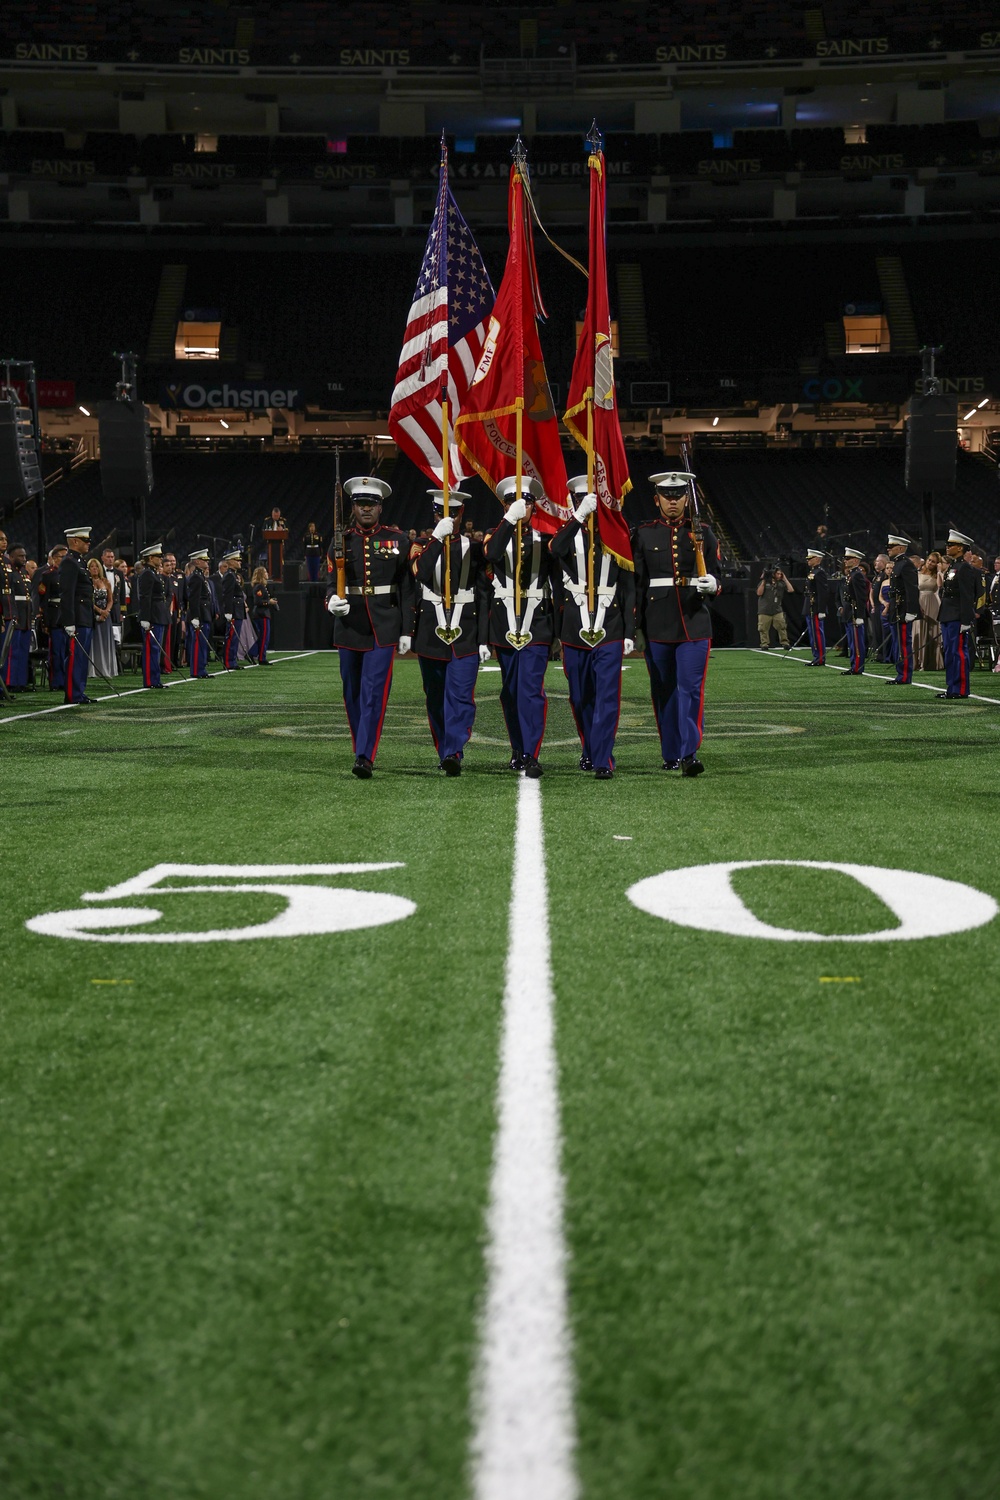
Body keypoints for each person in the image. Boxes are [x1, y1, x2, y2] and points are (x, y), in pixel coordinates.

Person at [325, 475, 416, 777]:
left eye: (371, 504)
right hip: (349, 624)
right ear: (352, 507)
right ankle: (360, 744)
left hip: (384, 625)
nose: (365, 509)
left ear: (380, 507)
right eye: (360, 503)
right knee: (352, 693)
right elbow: (330, 581)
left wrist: (406, 630)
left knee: (373, 692)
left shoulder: (398, 540)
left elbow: (405, 587)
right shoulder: (341, 541)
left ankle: (365, 755)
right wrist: (331, 600)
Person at [632, 470, 719, 776]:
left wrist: (713, 584)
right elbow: (637, 584)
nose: (672, 501)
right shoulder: (643, 534)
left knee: (691, 689)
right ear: (657, 500)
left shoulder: (703, 533)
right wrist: (636, 627)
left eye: (678, 496)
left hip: (694, 622)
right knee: (664, 690)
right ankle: (670, 752)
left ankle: (689, 753)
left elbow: (717, 573)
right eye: (666, 497)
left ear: (686, 499)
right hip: (657, 623)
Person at [550, 477, 635, 779]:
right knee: (580, 695)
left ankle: (603, 758)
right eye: (581, 498)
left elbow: (629, 586)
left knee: (607, 696)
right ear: (574, 500)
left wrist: (629, 631)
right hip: (574, 628)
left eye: (592, 498)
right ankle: (590, 748)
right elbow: (555, 549)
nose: (588, 502)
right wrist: (578, 517)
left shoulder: (616, 534)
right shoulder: (567, 532)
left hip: (610, 625)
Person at [483, 475, 557, 778]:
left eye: (526, 502)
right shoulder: (494, 534)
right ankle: (517, 748)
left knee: (530, 690)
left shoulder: (545, 538)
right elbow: (491, 554)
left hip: (537, 621)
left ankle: (532, 752)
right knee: (510, 692)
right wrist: (507, 520)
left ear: (534, 506)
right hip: (504, 623)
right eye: (514, 501)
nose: (521, 506)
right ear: (505, 505)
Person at [412, 488, 488, 776]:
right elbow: (420, 572)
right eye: (441, 513)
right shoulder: (420, 545)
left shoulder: (474, 548)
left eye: (453, 513)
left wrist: (483, 638)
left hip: (465, 631)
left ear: (462, 514)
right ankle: (445, 748)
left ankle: (454, 751)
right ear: (433, 514)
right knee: (434, 697)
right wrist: (435, 538)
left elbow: (482, 594)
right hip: (431, 631)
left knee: (461, 696)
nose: (448, 518)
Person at [56, 525, 97, 705]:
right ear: (74, 541)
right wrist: (69, 622)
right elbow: (67, 594)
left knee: (81, 658)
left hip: (85, 616)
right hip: (78, 618)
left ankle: (79, 692)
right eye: (85, 540)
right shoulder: (69, 562)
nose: (88, 543)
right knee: (75, 658)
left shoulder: (79, 562)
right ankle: (73, 694)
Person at [938, 529, 977, 699]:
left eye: (951, 545)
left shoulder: (964, 568)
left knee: (958, 653)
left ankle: (960, 690)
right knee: (949, 653)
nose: (947, 547)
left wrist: (966, 619)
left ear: (960, 548)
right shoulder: (954, 566)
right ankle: (951, 688)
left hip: (957, 616)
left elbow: (968, 595)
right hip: (948, 614)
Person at [883, 535, 920, 685]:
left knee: (904, 643)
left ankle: (904, 676)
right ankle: (901, 674)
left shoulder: (906, 564)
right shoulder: (898, 564)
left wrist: (912, 611)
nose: (888, 549)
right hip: (895, 608)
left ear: (900, 548)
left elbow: (912, 589)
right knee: (898, 643)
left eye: (891, 547)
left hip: (903, 610)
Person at [31, 543, 67, 690]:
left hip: (68, 616)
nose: (65, 559)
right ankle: (56, 681)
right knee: (56, 652)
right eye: (61, 557)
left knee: (67, 651)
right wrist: (45, 621)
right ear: (54, 558)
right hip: (54, 617)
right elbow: (43, 599)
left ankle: (67, 680)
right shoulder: (47, 575)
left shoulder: (70, 573)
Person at [136, 543, 170, 688]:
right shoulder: (147, 574)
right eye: (159, 556)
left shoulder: (152, 573)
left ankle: (155, 679)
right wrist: (145, 618)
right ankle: (150, 680)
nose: (161, 559)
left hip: (158, 615)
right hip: (152, 616)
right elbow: (145, 597)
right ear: (150, 558)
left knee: (155, 649)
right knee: (152, 649)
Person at [2, 542, 32, 691]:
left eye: (25, 556)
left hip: (25, 617)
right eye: (20, 556)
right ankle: (10, 682)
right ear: (11, 556)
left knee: (23, 652)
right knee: (12, 652)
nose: (24, 558)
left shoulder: (24, 573)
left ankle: (21, 682)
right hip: (15, 615)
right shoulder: (9, 574)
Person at [87, 556, 118, 681]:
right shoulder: (87, 582)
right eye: (91, 567)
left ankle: (106, 668)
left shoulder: (105, 581)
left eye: (96, 566)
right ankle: (93, 669)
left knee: (105, 642)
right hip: (92, 615)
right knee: (94, 642)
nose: (94, 569)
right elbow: (88, 600)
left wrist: (106, 611)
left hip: (106, 616)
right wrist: (99, 611)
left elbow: (111, 599)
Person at [183, 550, 213, 678]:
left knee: (202, 643)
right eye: (204, 560)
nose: (207, 562)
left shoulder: (199, 576)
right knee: (197, 644)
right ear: (197, 561)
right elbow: (194, 599)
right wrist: (195, 617)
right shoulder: (196, 577)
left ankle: (201, 669)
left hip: (203, 614)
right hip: (199, 615)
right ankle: (196, 670)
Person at [839, 548, 869, 676]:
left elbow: (861, 597)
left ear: (856, 560)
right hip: (849, 612)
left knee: (857, 642)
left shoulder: (857, 575)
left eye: (848, 558)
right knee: (852, 641)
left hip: (854, 612)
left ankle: (857, 667)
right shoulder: (851, 574)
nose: (845, 561)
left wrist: (860, 615)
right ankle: (854, 665)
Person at [220, 549, 248, 669]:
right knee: (231, 636)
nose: (240, 562)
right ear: (230, 562)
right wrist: (228, 612)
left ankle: (232, 660)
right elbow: (227, 595)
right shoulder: (230, 576)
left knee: (235, 637)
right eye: (237, 560)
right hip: (234, 610)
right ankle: (228, 661)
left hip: (238, 609)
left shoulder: (233, 575)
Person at [755, 564, 793, 649]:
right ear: (773, 574)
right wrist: (764, 581)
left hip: (777, 609)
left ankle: (785, 643)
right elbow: (759, 593)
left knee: (782, 627)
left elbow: (791, 590)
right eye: (778, 574)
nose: (779, 575)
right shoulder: (764, 583)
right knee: (763, 629)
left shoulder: (781, 584)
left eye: (780, 574)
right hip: (764, 610)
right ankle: (764, 644)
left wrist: (785, 579)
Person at [802, 545, 828, 665]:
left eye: (810, 558)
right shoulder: (813, 572)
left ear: (817, 559)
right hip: (810, 606)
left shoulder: (820, 573)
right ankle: (816, 656)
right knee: (813, 633)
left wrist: (822, 609)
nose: (808, 560)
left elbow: (822, 593)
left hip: (816, 607)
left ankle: (820, 658)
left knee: (817, 633)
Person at [248, 566, 277, 665]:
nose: (267, 573)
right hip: (261, 614)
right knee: (264, 637)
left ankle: (255, 654)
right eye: (265, 572)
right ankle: (260, 657)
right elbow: (258, 601)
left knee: (263, 636)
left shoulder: (261, 586)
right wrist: (269, 602)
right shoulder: (259, 587)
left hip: (262, 614)